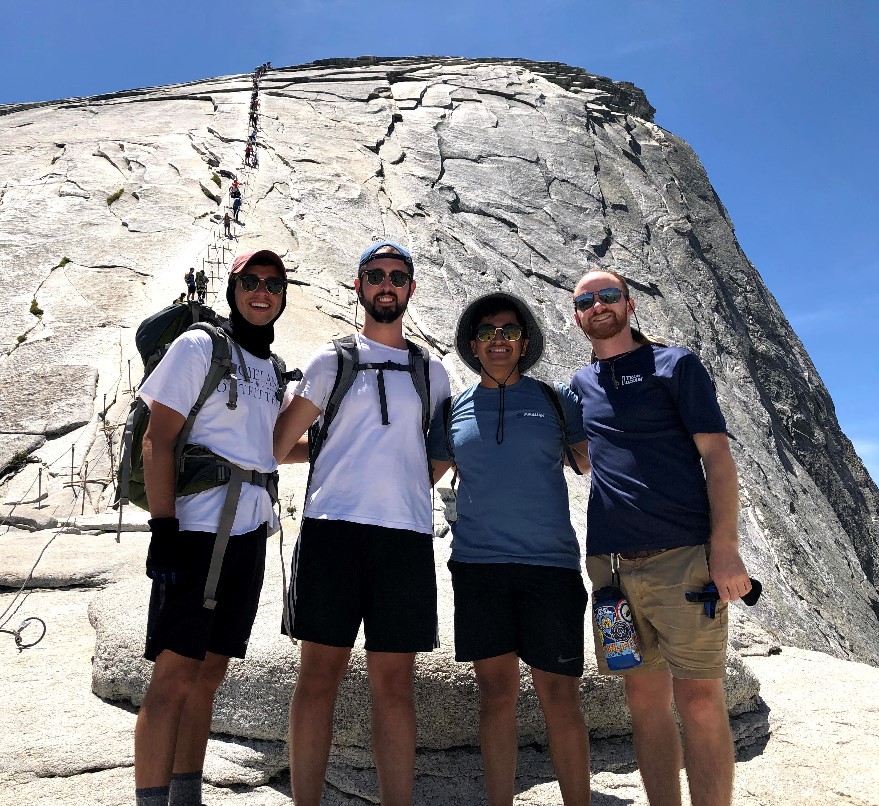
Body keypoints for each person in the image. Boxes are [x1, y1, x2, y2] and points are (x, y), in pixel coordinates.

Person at [273, 241, 451, 806]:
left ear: (410, 289)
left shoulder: (433, 371)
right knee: (318, 678)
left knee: (396, 686)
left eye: (398, 277)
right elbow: (281, 443)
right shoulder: (332, 360)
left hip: (403, 537)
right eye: (375, 275)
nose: (386, 284)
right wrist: (336, 457)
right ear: (359, 286)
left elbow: (442, 450)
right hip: (333, 530)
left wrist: (402, 480)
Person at [569, 269, 752, 806]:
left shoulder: (676, 366)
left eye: (608, 296)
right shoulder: (580, 386)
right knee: (643, 702)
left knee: (699, 699)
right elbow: (583, 458)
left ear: (628, 304)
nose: (598, 305)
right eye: (586, 300)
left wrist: (725, 549)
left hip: (683, 560)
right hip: (612, 569)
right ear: (577, 316)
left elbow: (717, 455)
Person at [133, 249, 291, 806]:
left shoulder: (272, 370)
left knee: (211, 675)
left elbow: (271, 448)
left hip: (249, 535)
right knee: (174, 675)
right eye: (250, 281)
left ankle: (187, 796)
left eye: (273, 284)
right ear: (233, 288)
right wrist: (163, 528)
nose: (262, 291)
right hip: (197, 532)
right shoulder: (200, 346)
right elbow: (159, 437)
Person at [428, 292, 591, 806]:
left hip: (551, 568)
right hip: (479, 568)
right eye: (487, 332)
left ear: (525, 343)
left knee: (560, 698)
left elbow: (591, 462)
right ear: (473, 345)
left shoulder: (555, 400)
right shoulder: (451, 412)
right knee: (495, 699)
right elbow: (423, 475)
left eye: (509, 331)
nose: (498, 339)